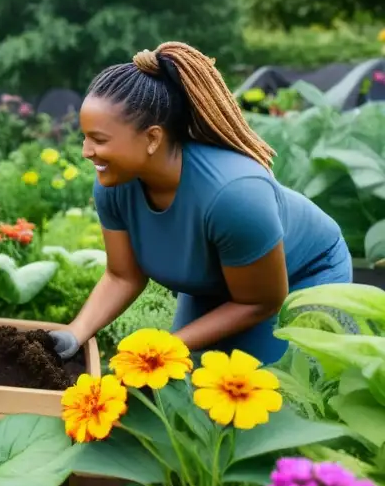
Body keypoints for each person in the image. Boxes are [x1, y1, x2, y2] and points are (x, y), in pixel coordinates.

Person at [52, 41, 351, 365]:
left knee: (276, 398)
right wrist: (75, 332)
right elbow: (123, 276)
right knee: (186, 392)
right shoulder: (115, 186)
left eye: (99, 140)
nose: (85, 151)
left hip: (301, 277)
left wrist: (164, 347)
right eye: (84, 137)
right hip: (215, 284)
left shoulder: (234, 195)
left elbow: (260, 302)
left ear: (152, 138)